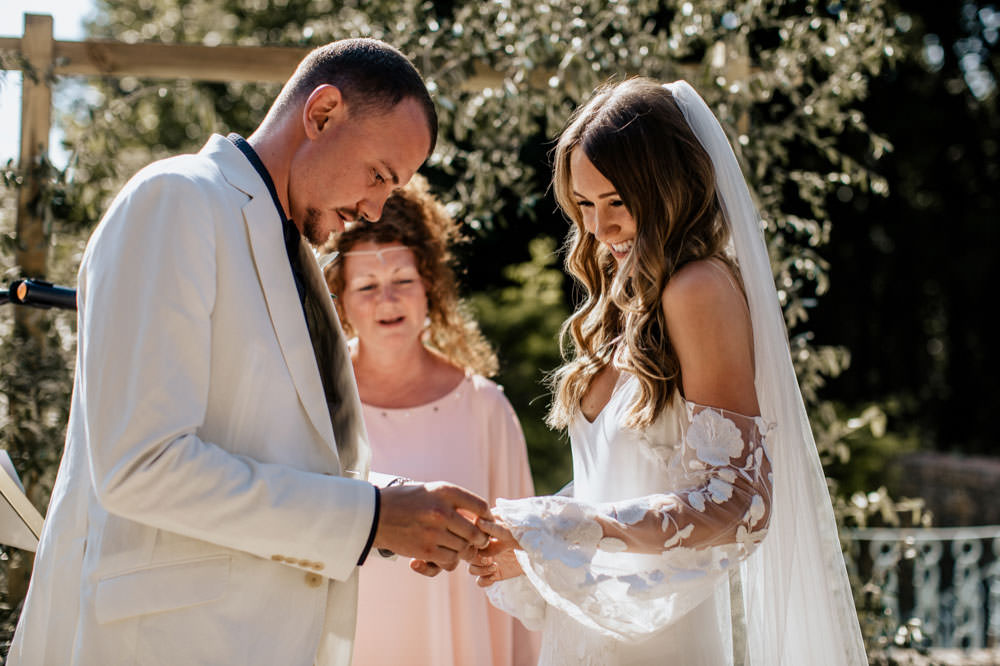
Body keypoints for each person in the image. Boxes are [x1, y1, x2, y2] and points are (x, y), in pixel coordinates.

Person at [8, 38, 495, 666]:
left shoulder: (292, 250)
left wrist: (402, 511)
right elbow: (142, 466)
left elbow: (262, 453)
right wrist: (370, 517)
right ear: (321, 114)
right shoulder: (176, 199)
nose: (375, 208)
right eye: (379, 175)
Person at [468, 78, 868, 665]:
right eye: (584, 205)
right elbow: (634, 477)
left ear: (666, 190)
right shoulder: (625, 300)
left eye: (617, 202)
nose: (599, 230)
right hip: (592, 636)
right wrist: (526, 540)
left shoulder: (698, 287)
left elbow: (740, 502)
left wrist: (565, 527)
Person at [322, 176, 541, 665]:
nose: (388, 300)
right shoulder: (317, 404)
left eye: (402, 281)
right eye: (367, 286)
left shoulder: (485, 409)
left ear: (429, 286)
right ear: (339, 297)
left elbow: (521, 563)